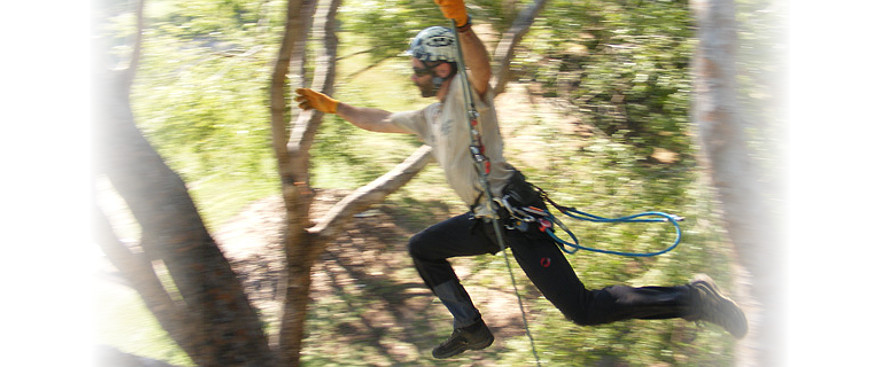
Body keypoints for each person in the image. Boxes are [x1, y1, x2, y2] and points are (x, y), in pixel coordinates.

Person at [295, 0, 747, 359]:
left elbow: (481, 65)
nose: (412, 74)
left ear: (442, 66)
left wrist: (464, 25)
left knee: (583, 310)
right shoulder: (428, 116)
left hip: (514, 210)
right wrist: (333, 107)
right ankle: (470, 327)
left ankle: (693, 299)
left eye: (418, 66)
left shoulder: (471, 97)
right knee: (423, 248)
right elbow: (377, 118)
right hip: (485, 217)